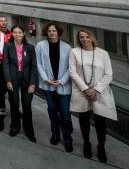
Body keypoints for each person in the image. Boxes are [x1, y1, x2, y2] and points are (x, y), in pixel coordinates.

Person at [69, 29, 117, 163]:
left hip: (99, 93)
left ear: (92, 38)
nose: (84, 39)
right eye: (81, 37)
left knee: (100, 122)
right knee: (84, 120)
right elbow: (73, 72)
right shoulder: (74, 52)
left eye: (87, 37)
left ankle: (101, 147)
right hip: (82, 93)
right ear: (79, 39)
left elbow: (109, 74)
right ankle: (86, 143)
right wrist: (86, 89)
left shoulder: (103, 53)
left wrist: (95, 90)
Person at [36, 23, 74, 152]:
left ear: (58, 32)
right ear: (46, 33)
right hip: (47, 85)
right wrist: (46, 79)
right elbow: (38, 64)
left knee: (64, 113)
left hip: (63, 85)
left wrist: (62, 81)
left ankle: (68, 137)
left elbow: (71, 67)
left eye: (54, 31)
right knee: (52, 110)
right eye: (49, 31)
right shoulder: (41, 46)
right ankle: (55, 133)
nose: (52, 33)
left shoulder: (67, 47)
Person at [2, 26, 38, 142]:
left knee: (27, 105)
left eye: (19, 32)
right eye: (15, 32)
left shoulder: (30, 47)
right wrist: (7, 80)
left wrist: (33, 84)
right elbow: (5, 64)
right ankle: (15, 127)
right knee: (14, 104)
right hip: (12, 79)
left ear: (23, 34)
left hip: (27, 80)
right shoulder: (7, 46)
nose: (17, 34)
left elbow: (34, 66)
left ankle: (29, 130)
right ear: (12, 34)